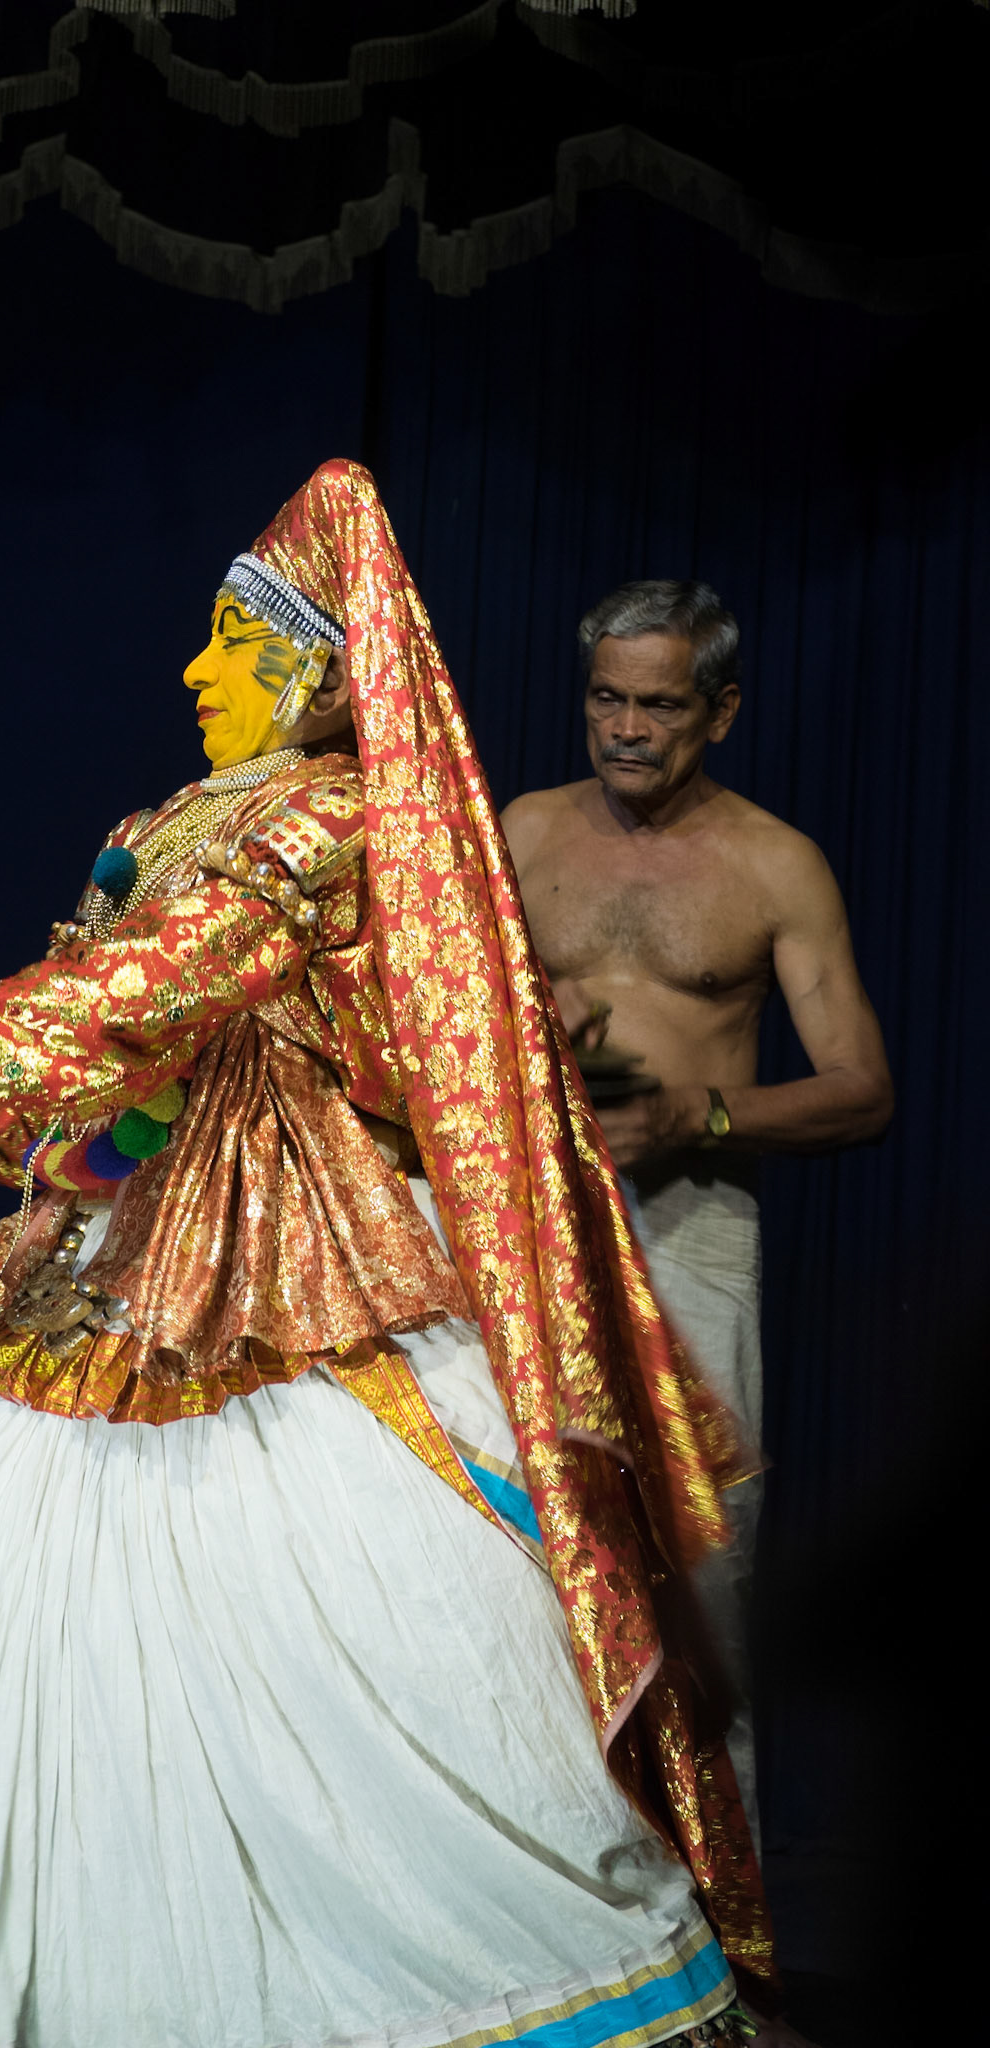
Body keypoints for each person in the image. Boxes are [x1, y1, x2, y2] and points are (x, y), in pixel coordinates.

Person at [0, 468, 787, 2048]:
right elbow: (89, 1070)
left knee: (359, 1675)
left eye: (235, 644)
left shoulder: (327, 821)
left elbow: (158, 989)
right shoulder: (170, 823)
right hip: (133, 1274)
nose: (197, 671)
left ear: (325, 668)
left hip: (299, 1283)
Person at [500, 580, 894, 1845]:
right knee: (507, 1562)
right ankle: (567, 1944)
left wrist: (698, 1119)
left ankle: (734, 1955)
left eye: (659, 705)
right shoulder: (522, 831)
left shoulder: (777, 864)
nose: (625, 728)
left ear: (718, 710)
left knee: (702, 1587)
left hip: (692, 1229)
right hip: (525, 1225)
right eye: (606, 698)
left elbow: (863, 1090)